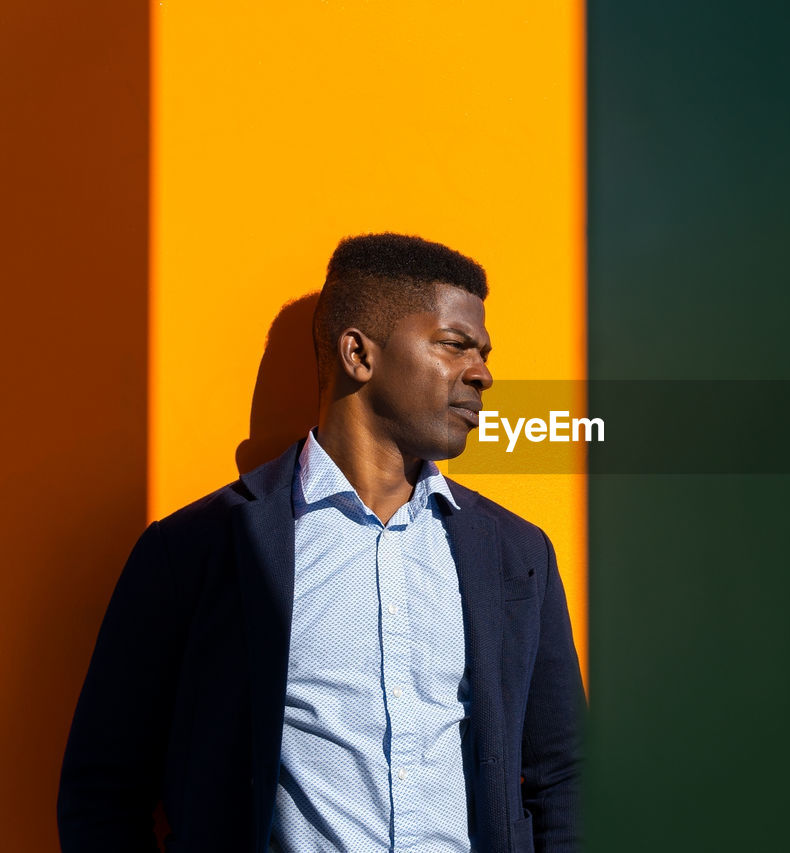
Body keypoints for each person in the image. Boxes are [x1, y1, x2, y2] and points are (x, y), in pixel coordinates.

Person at [57, 234, 584, 853]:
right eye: (453, 344)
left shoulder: (516, 555)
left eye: (484, 351)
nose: (483, 373)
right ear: (359, 354)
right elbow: (104, 789)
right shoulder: (196, 551)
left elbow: (566, 778)